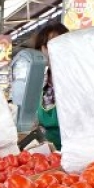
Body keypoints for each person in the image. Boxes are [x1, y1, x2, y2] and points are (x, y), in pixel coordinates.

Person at [34, 22, 69, 150]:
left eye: (61, 44)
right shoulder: (37, 85)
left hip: (77, 156)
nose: (56, 50)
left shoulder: (78, 82)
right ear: (41, 50)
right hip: (49, 158)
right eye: (50, 46)